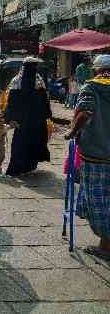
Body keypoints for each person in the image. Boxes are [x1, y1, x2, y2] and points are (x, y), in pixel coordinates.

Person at [66, 54, 110, 261]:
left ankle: (107, 244)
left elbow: (85, 112)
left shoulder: (91, 87)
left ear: (96, 70)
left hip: (96, 154)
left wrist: (72, 132)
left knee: (98, 200)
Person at [4, 57, 52, 177]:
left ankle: (30, 166)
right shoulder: (18, 81)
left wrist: (46, 115)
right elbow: (11, 102)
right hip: (24, 120)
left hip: (35, 120)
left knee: (33, 142)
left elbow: (44, 99)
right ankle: (19, 167)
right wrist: (11, 119)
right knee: (20, 143)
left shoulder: (38, 80)